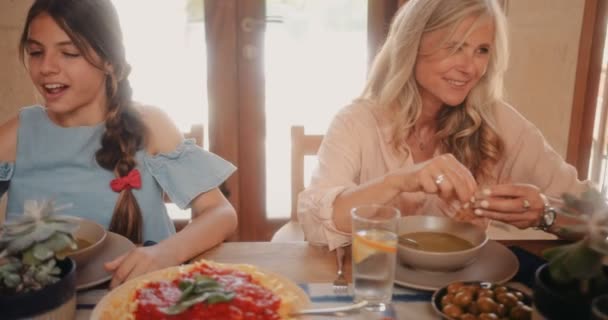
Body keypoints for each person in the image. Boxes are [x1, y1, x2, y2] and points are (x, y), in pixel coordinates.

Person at [298, 0, 590, 250]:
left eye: (482, 50)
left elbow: (595, 213)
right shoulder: (356, 122)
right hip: (374, 289)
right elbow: (314, 226)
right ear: (412, 44)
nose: (470, 67)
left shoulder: (499, 121)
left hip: (457, 293)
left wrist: (546, 214)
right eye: (455, 47)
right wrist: (399, 181)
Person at [0, 0, 238, 288]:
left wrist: (166, 252)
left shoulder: (150, 125)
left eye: (69, 53)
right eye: (36, 52)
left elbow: (220, 212)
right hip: (43, 306)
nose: (46, 67)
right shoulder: (16, 134)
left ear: (109, 60)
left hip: (140, 298)